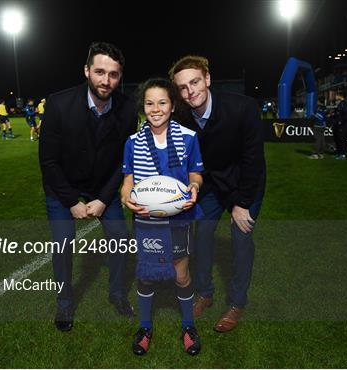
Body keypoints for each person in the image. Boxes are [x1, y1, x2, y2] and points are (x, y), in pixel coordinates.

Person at [39, 42, 138, 332]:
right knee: (62, 244)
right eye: (99, 72)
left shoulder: (128, 108)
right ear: (86, 71)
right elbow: (48, 160)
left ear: (120, 77)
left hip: (102, 186)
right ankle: (65, 302)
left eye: (114, 75)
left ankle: (118, 294)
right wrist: (71, 201)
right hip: (62, 186)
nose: (106, 81)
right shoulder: (58, 103)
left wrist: (104, 199)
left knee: (120, 237)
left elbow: (124, 158)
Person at [169, 56, 266, 333]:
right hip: (211, 185)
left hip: (246, 183)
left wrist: (242, 204)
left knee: (240, 236)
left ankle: (236, 303)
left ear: (208, 79)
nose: (191, 91)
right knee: (200, 235)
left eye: (195, 82)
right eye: (184, 87)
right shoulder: (182, 116)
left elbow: (253, 161)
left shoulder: (243, 108)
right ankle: (205, 293)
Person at [121, 78, 204, 356]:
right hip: (146, 220)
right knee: (145, 276)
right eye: (149, 103)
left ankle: (188, 325)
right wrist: (126, 197)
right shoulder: (132, 142)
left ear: (172, 105)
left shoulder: (189, 137)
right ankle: (145, 326)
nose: (156, 108)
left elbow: (196, 174)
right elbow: (128, 181)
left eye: (162, 102)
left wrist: (194, 187)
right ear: (143, 107)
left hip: (178, 218)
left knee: (181, 275)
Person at [331, 91, 347, 160]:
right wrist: (333, 114)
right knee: (338, 139)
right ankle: (339, 153)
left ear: (340, 96)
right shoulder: (340, 103)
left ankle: (343, 154)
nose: (335, 97)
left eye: (336, 95)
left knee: (342, 139)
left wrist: (340, 122)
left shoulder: (344, 104)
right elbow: (338, 113)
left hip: (342, 126)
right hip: (337, 125)